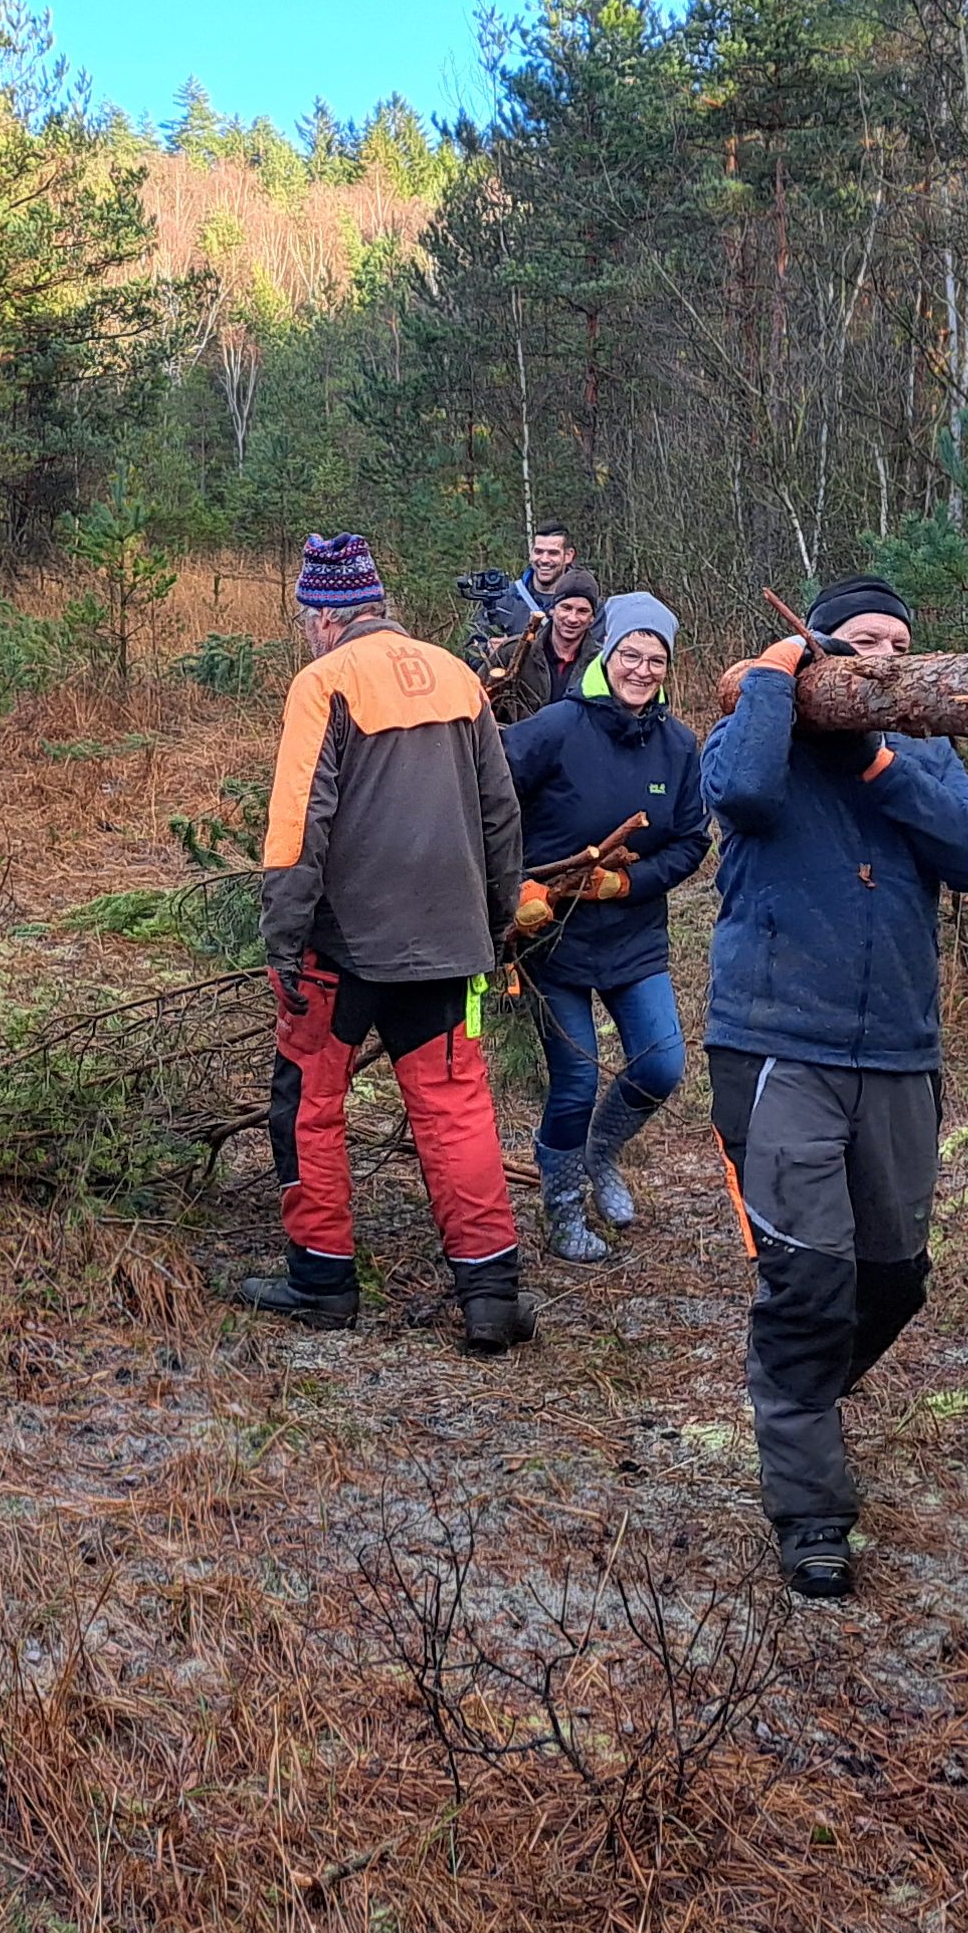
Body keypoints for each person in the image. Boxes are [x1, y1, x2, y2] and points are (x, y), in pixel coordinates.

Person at [703, 573, 968, 1601]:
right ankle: (811, 1513)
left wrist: (884, 760)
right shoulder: (760, 730)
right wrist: (773, 677)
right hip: (775, 1045)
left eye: (901, 640)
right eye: (861, 639)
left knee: (892, 1278)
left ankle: (791, 1401)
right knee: (807, 1280)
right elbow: (741, 796)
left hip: (896, 1050)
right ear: (818, 646)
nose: (884, 655)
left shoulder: (921, 746)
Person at [236, 531, 531, 1353]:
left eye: (305, 619)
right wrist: (495, 923)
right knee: (456, 1108)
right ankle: (491, 1292)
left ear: (325, 617)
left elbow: (298, 823)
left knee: (309, 1105)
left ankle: (323, 1280)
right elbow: (501, 814)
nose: (306, 633)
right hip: (449, 941)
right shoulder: (457, 674)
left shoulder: (323, 681)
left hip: (342, 950)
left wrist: (283, 940)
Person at [501, 589, 707, 1264]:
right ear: (606, 653)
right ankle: (562, 1213)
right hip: (551, 937)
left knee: (662, 1063)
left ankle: (601, 1155)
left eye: (655, 660)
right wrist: (514, 882)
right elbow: (490, 792)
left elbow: (689, 842)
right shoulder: (559, 727)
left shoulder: (677, 746)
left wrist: (628, 882)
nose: (642, 670)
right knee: (576, 1080)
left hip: (632, 936)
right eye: (630, 654)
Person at [486, 569, 609, 724]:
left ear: (592, 618)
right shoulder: (512, 653)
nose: (572, 618)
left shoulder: (603, 664)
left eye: (582, 611)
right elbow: (478, 699)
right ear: (552, 609)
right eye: (566, 607)